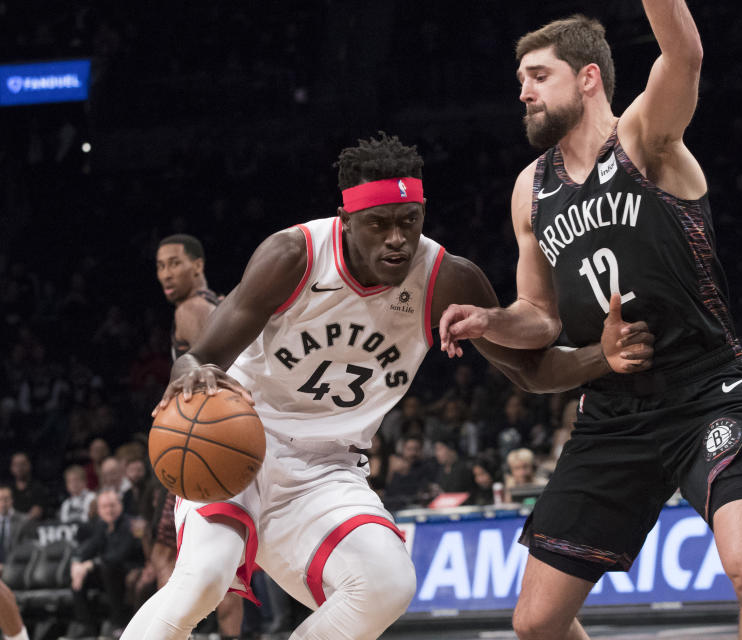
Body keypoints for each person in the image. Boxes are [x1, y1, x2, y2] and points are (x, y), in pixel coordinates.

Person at [121, 133, 652, 640]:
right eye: (379, 224)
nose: (398, 239)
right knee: (203, 579)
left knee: (387, 584)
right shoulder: (294, 256)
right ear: (346, 219)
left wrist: (600, 357)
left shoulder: (447, 278)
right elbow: (200, 356)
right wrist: (188, 374)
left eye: (410, 221)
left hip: (327, 469)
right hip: (240, 443)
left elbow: (529, 372)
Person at [439, 9, 742, 639]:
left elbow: (684, 54)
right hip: (611, 412)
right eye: (521, 79)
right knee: (535, 625)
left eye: (537, 76)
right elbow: (541, 317)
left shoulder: (642, 138)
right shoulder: (532, 188)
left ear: (586, 79)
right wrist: (490, 320)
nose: (523, 92)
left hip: (707, 391)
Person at [153, 234, 243, 638]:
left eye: (174, 262)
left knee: (171, 562)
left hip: (200, 445)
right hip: (223, 444)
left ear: (198, 265)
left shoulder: (192, 309)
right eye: (160, 265)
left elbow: (219, 376)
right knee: (222, 567)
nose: (166, 273)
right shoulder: (220, 305)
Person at [69, 488, 144, 638]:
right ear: (99, 510)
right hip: (106, 570)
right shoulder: (101, 525)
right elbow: (89, 548)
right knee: (76, 574)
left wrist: (91, 564)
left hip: (129, 569)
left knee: (107, 568)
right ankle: (87, 627)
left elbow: (120, 555)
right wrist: (76, 563)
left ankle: (119, 624)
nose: (109, 510)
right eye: (104, 507)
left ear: (120, 505)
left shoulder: (130, 524)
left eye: (112, 505)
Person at [0, 486, 27, 574]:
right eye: (0, 499)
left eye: (6, 499)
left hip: (16, 568)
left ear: (12, 500)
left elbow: (25, 550)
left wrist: (7, 567)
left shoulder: (23, 521)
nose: (3, 503)